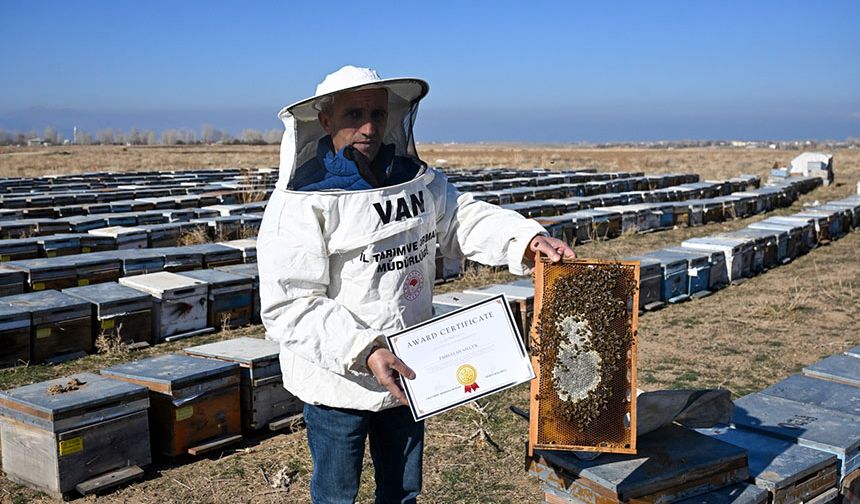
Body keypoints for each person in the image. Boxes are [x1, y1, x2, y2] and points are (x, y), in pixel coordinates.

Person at [258, 65, 574, 504]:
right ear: (325, 119)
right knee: (335, 495)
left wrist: (525, 239)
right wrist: (365, 351)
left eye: (377, 113)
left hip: (410, 367)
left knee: (403, 491)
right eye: (353, 114)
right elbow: (289, 303)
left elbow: (460, 218)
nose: (368, 127)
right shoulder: (301, 202)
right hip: (336, 379)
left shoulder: (413, 177)